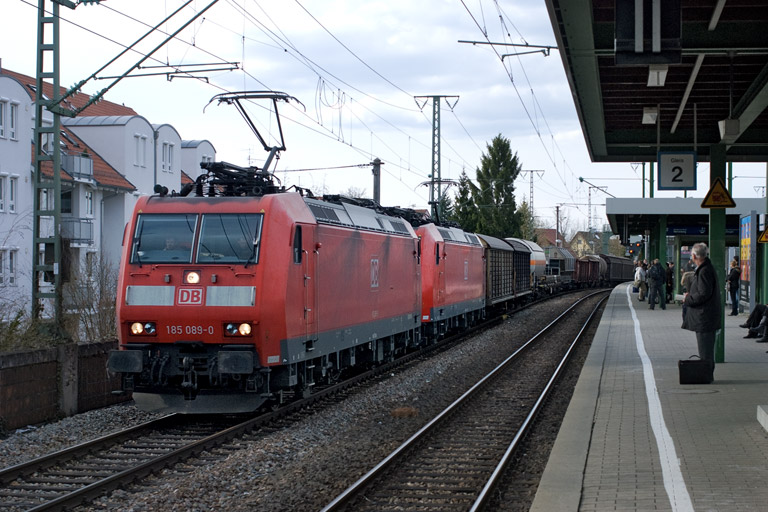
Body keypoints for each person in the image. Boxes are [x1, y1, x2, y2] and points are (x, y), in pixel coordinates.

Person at [682, 242, 721, 381]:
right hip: (706, 316)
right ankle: (707, 374)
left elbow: (704, 294)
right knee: (706, 349)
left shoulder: (704, 271)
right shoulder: (706, 268)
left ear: (694, 256)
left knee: (705, 350)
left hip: (705, 317)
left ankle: (707, 376)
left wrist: (688, 299)